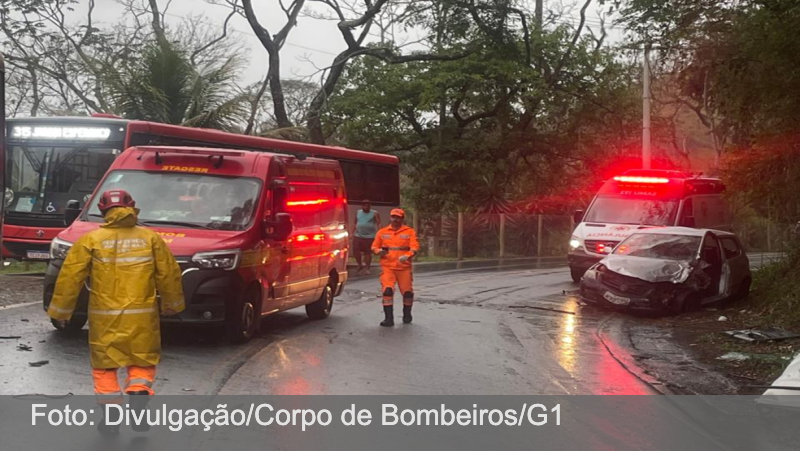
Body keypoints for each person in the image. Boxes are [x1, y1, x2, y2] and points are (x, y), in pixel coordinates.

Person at [47, 189, 184, 435]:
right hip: (142, 317)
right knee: (141, 360)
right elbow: (169, 273)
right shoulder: (151, 239)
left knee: (104, 366)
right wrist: (172, 305)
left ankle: (111, 417)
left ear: (102, 210)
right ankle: (139, 395)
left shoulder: (91, 241)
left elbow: (70, 277)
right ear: (133, 207)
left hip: (104, 318)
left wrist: (61, 312)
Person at [371, 208, 420, 326]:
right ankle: (389, 318)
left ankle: (407, 314)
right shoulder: (382, 232)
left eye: (398, 217)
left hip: (404, 267)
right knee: (387, 291)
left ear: (402, 219)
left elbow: (415, 247)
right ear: (390, 217)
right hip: (388, 267)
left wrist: (408, 255)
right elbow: (374, 247)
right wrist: (378, 251)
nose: (395, 219)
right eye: (393, 217)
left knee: (408, 293)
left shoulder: (409, 232)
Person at [352, 199, 381, 275]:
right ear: (361, 206)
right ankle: (359, 265)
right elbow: (355, 223)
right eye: (364, 205)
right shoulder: (358, 212)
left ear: (370, 206)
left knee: (367, 252)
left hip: (370, 236)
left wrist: (380, 233)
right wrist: (352, 232)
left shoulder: (374, 213)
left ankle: (367, 268)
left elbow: (379, 223)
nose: (366, 206)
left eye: (368, 205)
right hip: (358, 235)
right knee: (355, 250)